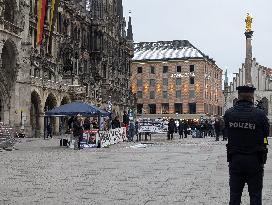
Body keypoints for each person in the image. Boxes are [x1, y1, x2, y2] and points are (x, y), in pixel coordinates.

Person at [224, 84, 269, 205]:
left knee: (234, 196)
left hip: (235, 159)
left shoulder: (229, 114)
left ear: (238, 96)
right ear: (252, 97)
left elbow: (227, 131)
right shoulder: (260, 114)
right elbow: (266, 134)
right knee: (255, 196)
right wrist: (264, 142)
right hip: (255, 159)